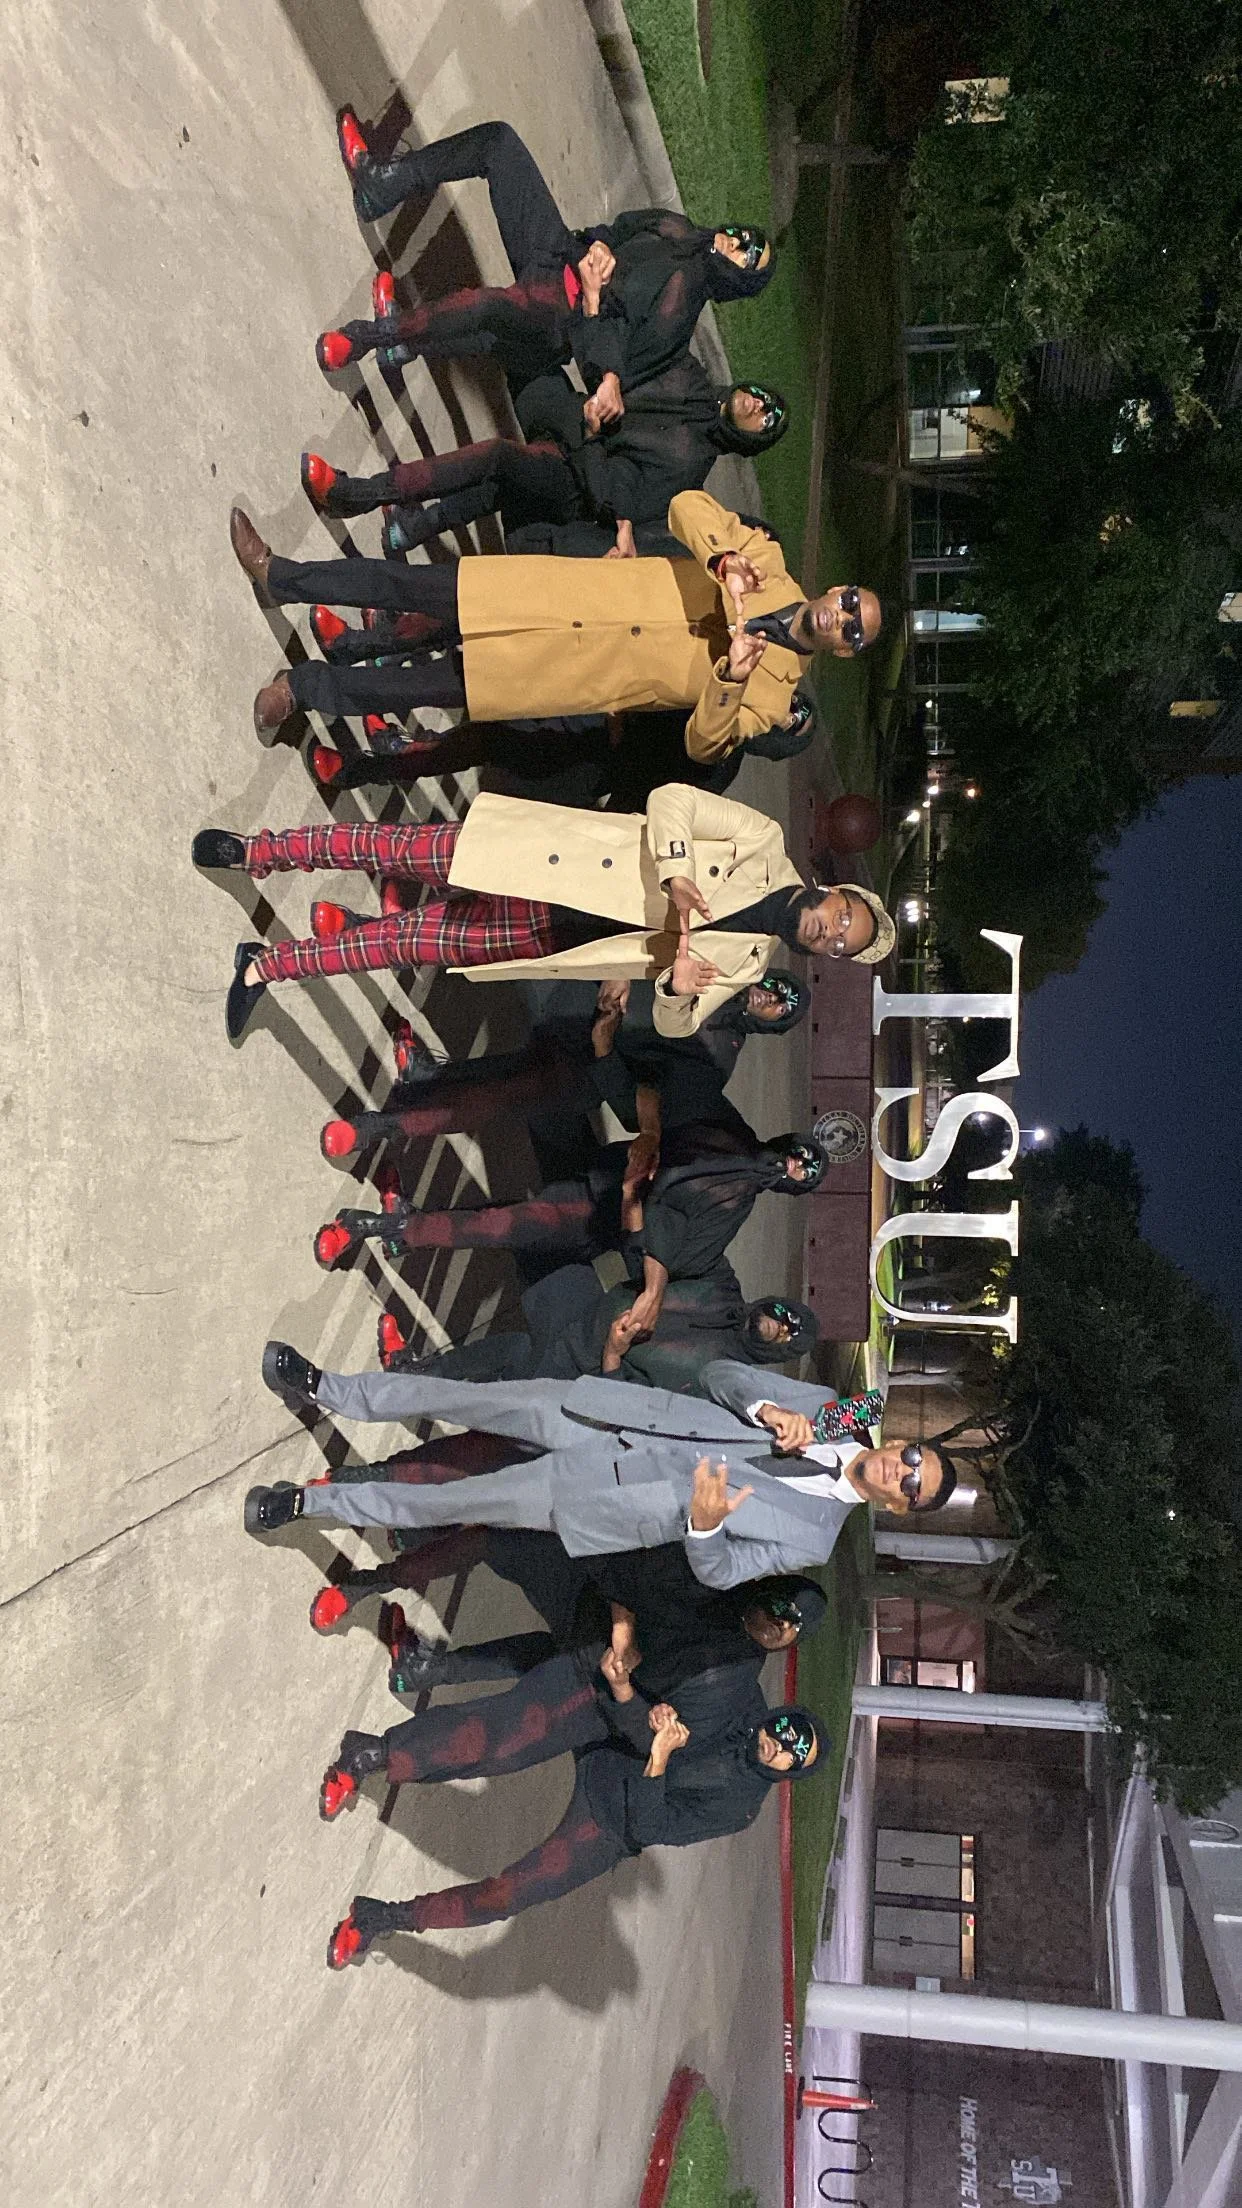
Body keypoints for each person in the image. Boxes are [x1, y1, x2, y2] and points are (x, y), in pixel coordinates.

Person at [191, 778, 895, 1040]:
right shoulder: (762, 841)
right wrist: (678, 871)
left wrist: (677, 989)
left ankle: (266, 967)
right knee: (389, 848)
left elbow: (679, 1025)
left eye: (840, 943)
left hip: (550, 934)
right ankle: (259, 852)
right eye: (843, 917)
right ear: (838, 891)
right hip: (545, 857)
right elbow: (671, 800)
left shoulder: (748, 963)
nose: (831, 931)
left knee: (402, 943)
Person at [244, 1350, 956, 1586]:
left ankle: (313, 1504)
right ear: (902, 1441)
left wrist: (705, 1526)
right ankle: (329, 1389)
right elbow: (719, 1374)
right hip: (612, 1417)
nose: (902, 1471)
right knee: (463, 1398)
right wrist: (766, 1405)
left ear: (897, 1507)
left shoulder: (813, 1540)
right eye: (913, 1457)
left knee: (453, 1503)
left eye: (912, 1487)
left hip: (609, 1500)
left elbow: (719, 1574)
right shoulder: (829, 1409)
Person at [226, 489, 880, 742]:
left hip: (561, 674)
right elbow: (685, 506)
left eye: (854, 629)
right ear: (837, 589)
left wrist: (731, 679)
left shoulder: (772, 698)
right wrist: (723, 557)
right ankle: (281, 576)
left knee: (413, 688)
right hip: (553, 594)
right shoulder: (765, 560)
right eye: (849, 602)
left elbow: (702, 743)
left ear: (846, 650)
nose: (841, 617)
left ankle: (302, 690)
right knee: (404, 584)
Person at [320, 1645, 823, 1964]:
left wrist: (659, 1760)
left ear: (791, 1772)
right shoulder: (736, 1693)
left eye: (793, 1754)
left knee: (508, 1895)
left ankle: (382, 1918)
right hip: (611, 1725)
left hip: (611, 1820)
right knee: (496, 1739)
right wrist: (647, 1705)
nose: (780, 1745)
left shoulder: (740, 1806)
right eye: (788, 1731)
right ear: (782, 1714)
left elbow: (651, 1826)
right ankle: (373, 1753)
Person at [319, 114, 775, 410]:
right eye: (747, 236)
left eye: (749, 254)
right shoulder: (675, 226)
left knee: (490, 309)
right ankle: (383, 185)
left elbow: (612, 371)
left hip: (563, 317)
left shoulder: (678, 317)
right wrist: (599, 245)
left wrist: (593, 301)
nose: (739, 241)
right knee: (499, 143)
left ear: (739, 282)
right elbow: (612, 231)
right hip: (558, 253)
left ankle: (370, 338)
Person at [300, 355, 789, 553]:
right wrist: (607, 376)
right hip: (571, 421)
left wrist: (593, 437)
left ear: (754, 441)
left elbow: (613, 499)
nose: (757, 404)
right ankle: (413, 526)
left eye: (767, 417)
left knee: (501, 461)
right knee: (524, 340)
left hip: (573, 484)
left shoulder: (690, 467)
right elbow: (625, 347)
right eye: (763, 397)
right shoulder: (690, 375)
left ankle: (357, 495)